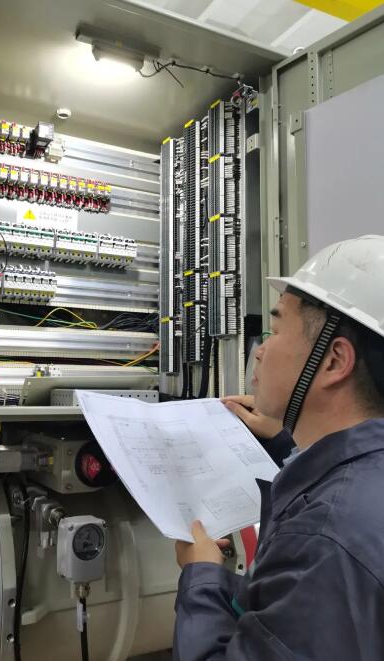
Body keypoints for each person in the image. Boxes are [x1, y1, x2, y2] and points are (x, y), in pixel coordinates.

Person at [173, 234, 384, 660]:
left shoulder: (324, 539)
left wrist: (202, 575)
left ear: (334, 361)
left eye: (275, 330)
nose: (260, 351)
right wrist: (288, 443)